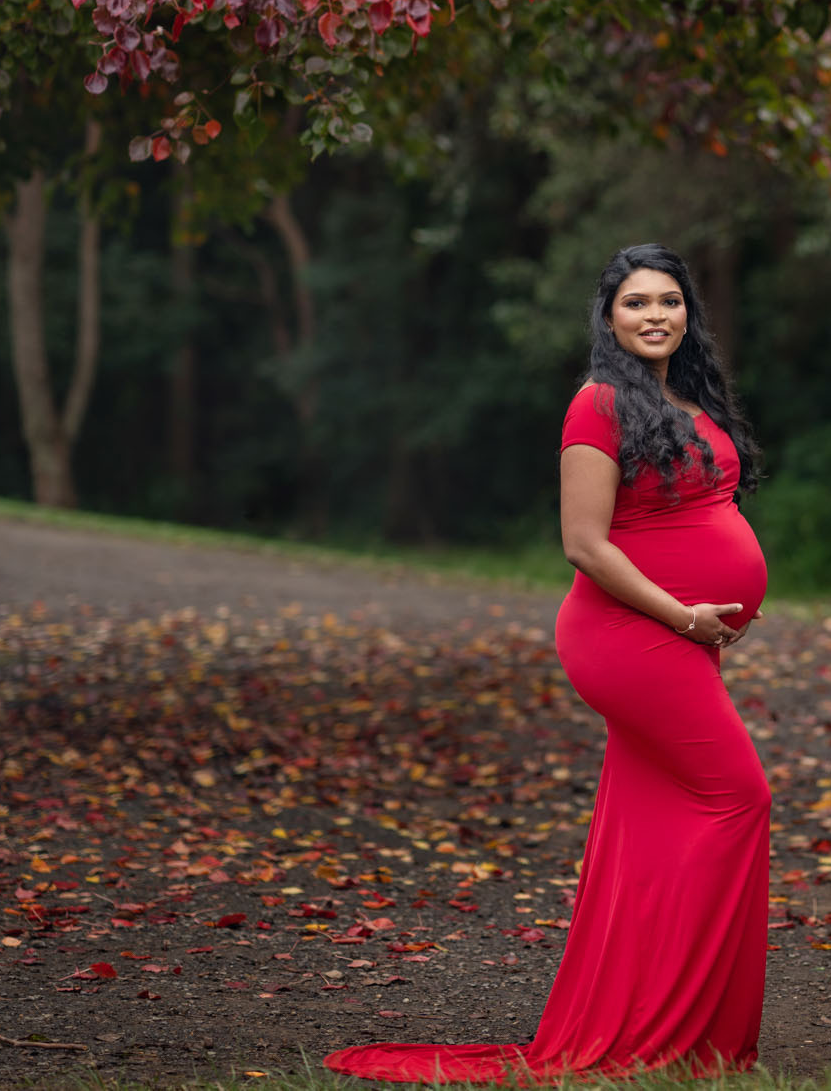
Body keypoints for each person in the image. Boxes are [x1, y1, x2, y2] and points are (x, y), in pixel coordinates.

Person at [325, 243, 772, 1084]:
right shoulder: (597, 403)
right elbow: (584, 543)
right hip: (628, 634)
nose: (655, 315)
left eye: (669, 300)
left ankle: (669, 1028)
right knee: (739, 798)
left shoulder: (689, 397)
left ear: (689, 313)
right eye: (636, 302)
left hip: (679, 636)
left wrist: (712, 610)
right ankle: (679, 1024)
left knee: (652, 820)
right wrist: (685, 614)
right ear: (609, 316)